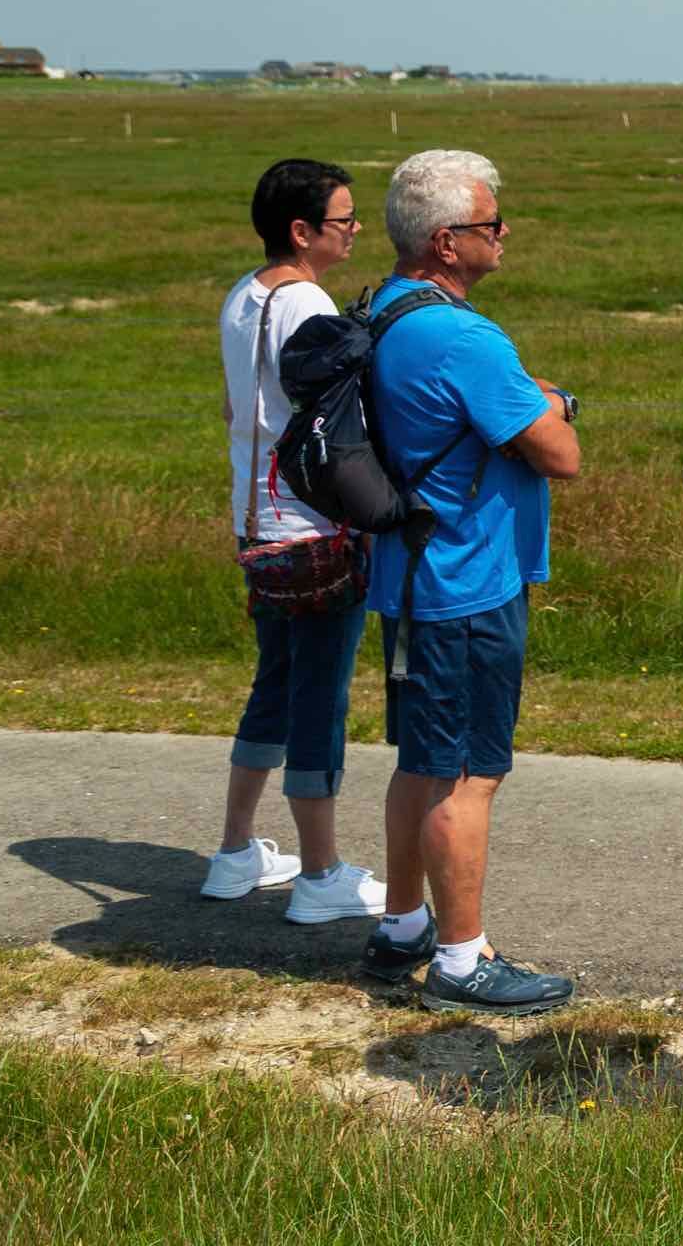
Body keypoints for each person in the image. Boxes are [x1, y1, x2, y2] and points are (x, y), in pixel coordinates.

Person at [356, 150, 582, 1013]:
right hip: (467, 581)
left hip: (411, 574)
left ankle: (404, 924)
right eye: (493, 224)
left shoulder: (383, 308)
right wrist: (554, 403)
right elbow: (560, 455)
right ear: (448, 242)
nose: (505, 234)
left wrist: (528, 399)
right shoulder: (465, 335)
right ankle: (460, 961)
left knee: (421, 758)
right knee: (466, 774)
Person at [205, 159, 387, 924]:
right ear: (302, 231)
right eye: (343, 221)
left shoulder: (242, 296)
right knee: (320, 697)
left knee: (274, 685)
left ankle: (235, 851)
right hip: (313, 528)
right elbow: (333, 413)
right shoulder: (307, 302)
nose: (353, 232)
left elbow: (233, 406)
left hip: (257, 524)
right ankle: (320, 874)